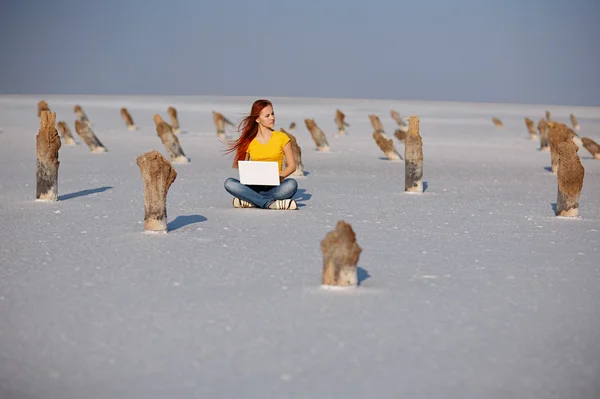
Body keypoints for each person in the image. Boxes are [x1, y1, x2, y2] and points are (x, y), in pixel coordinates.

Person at [223, 99, 298, 210]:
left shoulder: (282, 137)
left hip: (275, 186)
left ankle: (252, 200)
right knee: (229, 183)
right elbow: (243, 168)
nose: (272, 118)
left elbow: (292, 166)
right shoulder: (249, 141)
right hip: (253, 186)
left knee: (291, 185)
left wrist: (279, 177)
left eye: (272, 114)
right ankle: (270, 203)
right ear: (257, 119)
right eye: (267, 115)